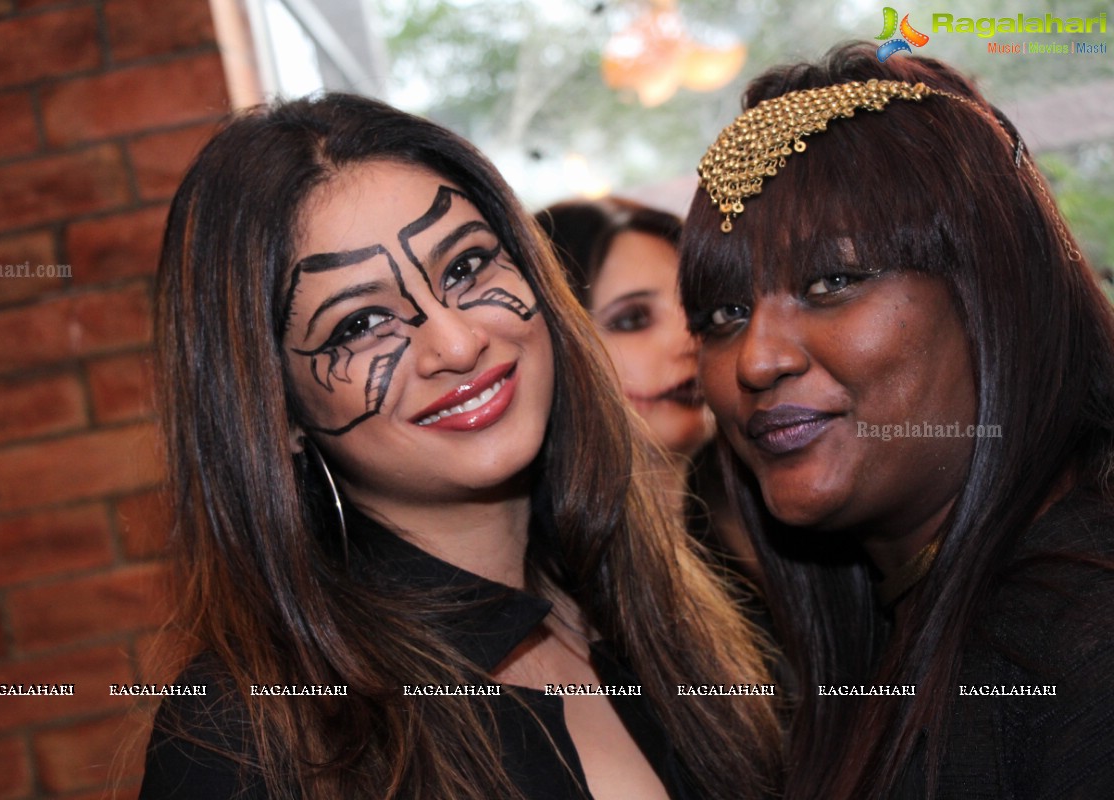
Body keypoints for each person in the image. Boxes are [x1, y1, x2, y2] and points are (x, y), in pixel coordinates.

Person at [139, 93, 781, 800]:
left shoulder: (658, 606)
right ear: (276, 409)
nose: (456, 341)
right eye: (360, 323)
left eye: (466, 267)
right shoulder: (252, 735)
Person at [678, 42, 1114, 799]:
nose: (756, 360)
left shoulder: (1085, 643)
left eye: (833, 280)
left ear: (993, 294)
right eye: (725, 312)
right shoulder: (890, 633)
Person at [534, 198, 754, 574]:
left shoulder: (764, 543)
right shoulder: (561, 607)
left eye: (703, 308)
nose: (692, 341)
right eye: (633, 319)